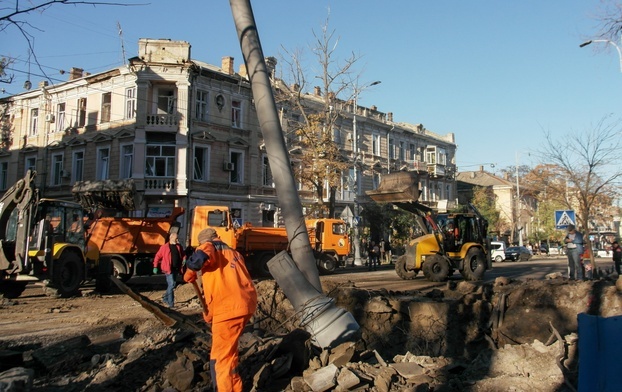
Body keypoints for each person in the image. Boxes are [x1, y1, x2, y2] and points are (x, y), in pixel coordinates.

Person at [184, 228, 257, 392]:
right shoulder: (234, 253)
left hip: (228, 309)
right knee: (230, 354)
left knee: (219, 358)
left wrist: (189, 271)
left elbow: (199, 258)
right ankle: (235, 388)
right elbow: (225, 283)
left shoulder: (209, 247)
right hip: (244, 305)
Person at [153, 232, 185, 308]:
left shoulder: (178, 246)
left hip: (176, 268)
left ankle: (165, 298)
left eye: (177, 238)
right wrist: (155, 266)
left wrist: (184, 259)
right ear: (171, 238)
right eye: (176, 238)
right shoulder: (164, 247)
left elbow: (183, 254)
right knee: (172, 285)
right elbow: (157, 256)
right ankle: (171, 303)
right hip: (168, 269)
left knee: (171, 285)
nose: (177, 240)